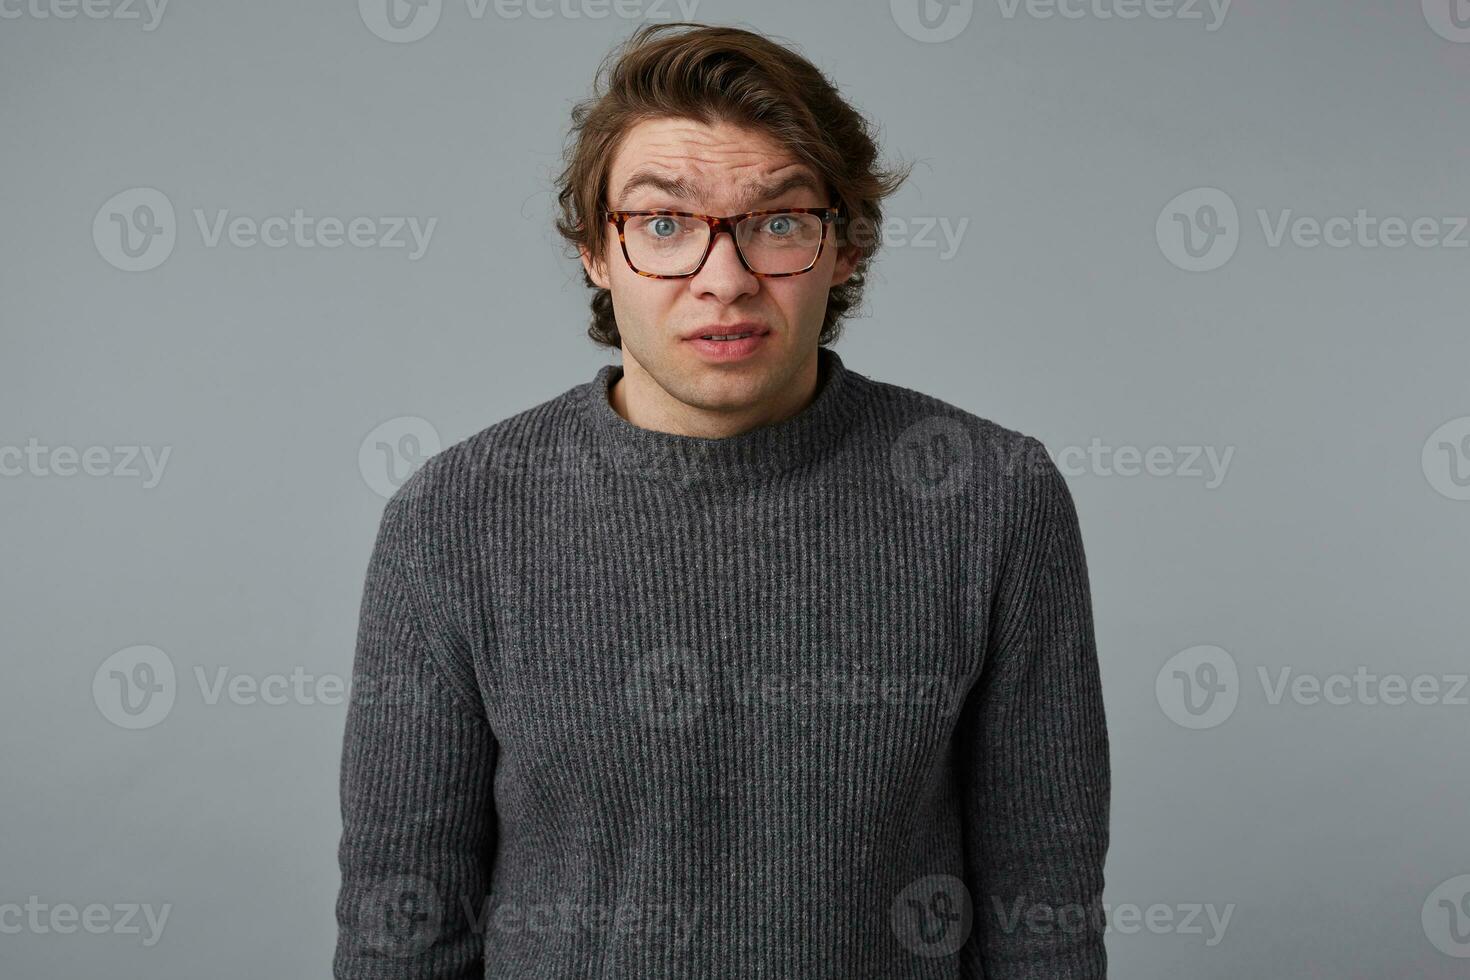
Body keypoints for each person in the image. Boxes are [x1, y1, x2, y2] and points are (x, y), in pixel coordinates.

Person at [334, 21, 1109, 979]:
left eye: (778, 222)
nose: (725, 281)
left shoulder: (993, 499)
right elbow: (402, 926)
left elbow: (1047, 920)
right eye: (665, 225)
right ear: (594, 252)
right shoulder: (453, 515)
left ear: (846, 246)